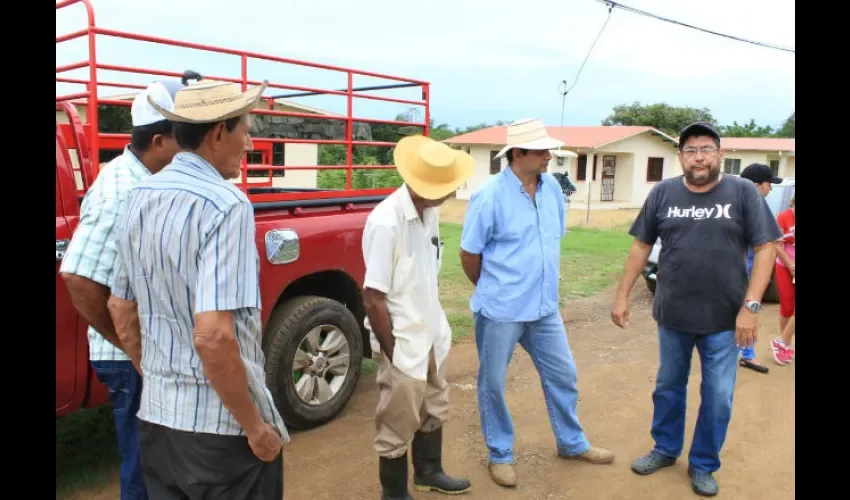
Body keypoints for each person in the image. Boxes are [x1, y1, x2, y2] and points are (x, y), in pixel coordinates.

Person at [107, 79, 286, 499]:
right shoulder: (227, 204)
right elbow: (213, 335)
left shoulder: (138, 195)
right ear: (218, 133)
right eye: (246, 129)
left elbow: (120, 308)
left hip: (157, 419)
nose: (250, 141)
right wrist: (255, 427)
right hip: (220, 434)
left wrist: (155, 376)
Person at [610, 122, 781, 497]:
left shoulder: (742, 192)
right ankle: (666, 449)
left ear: (720, 154)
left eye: (706, 148)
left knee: (718, 395)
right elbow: (642, 245)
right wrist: (622, 294)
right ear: (681, 156)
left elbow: (766, 247)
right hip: (673, 315)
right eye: (690, 150)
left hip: (725, 318)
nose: (698, 156)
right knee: (668, 386)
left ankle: (703, 464)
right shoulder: (664, 193)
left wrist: (751, 306)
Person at [459, 118, 614, 488]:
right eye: (542, 151)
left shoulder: (553, 192)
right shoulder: (490, 195)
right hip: (502, 310)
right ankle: (500, 454)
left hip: (545, 308)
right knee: (492, 383)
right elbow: (469, 254)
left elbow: (551, 240)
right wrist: (494, 289)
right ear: (519, 153)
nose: (549, 156)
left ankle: (572, 442)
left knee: (564, 375)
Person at [59, 77, 187, 500]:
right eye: (180, 138)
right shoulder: (123, 192)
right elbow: (77, 277)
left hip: (140, 352)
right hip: (129, 358)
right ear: (157, 141)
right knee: (147, 465)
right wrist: (132, 349)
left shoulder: (144, 178)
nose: (187, 148)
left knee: (157, 458)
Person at [362, 134, 474, 499]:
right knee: (397, 422)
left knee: (434, 404)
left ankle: (429, 472)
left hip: (429, 331)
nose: (450, 194)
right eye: (445, 187)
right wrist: (392, 352)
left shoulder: (430, 211)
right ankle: (393, 494)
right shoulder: (386, 223)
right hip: (403, 339)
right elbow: (373, 297)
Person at [737, 163, 783, 374]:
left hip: (745, 274)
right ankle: (745, 355)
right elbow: (773, 242)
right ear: (756, 185)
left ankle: (745, 354)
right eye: (768, 184)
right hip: (741, 276)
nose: (770, 189)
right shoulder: (750, 207)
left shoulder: (743, 205)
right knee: (747, 313)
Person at [770, 193, 795, 365]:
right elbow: (776, 244)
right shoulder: (784, 216)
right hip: (784, 266)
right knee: (787, 307)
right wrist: (791, 266)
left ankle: (781, 342)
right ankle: (785, 346)